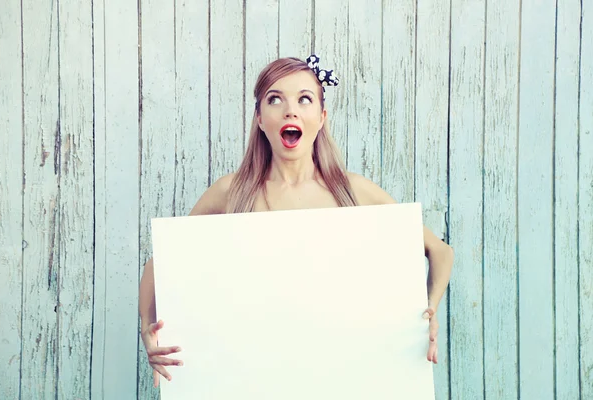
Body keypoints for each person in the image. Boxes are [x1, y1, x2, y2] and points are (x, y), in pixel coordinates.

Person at [139, 55, 454, 387]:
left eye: (304, 99)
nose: (291, 110)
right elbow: (161, 265)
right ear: (260, 118)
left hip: (343, 380)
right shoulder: (230, 193)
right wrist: (149, 328)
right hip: (252, 381)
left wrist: (428, 313)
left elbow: (440, 251)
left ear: (321, 117)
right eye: (276, 99)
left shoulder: (353, 192)